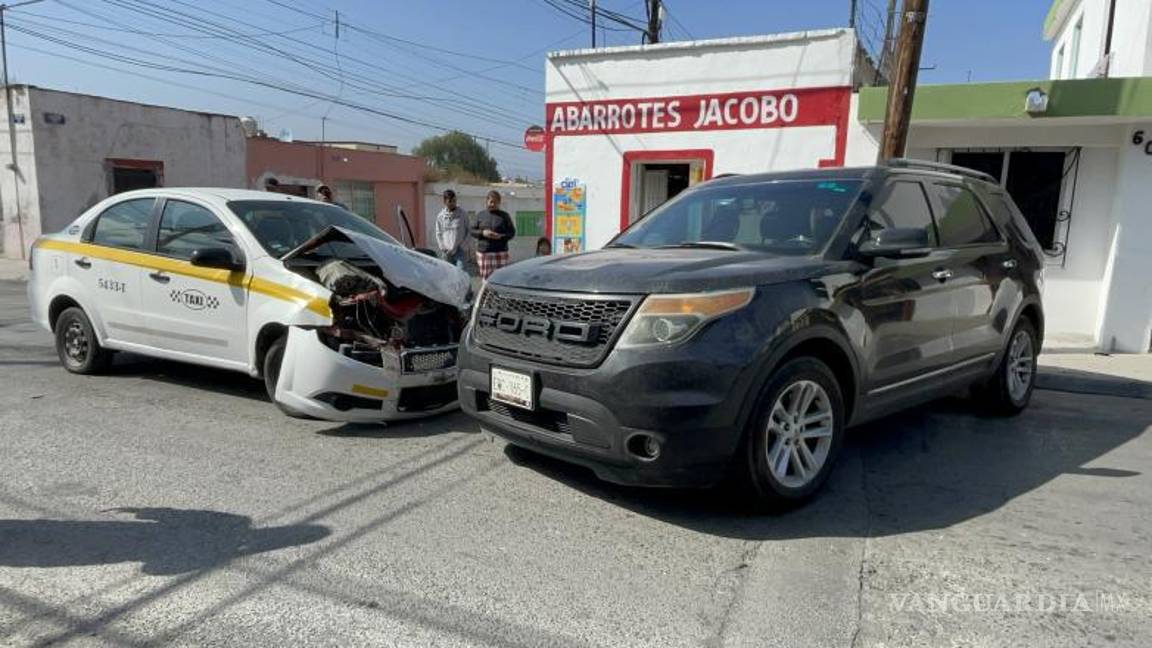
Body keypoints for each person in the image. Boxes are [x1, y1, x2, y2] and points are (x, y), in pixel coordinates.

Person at [471, 190, 515, 280]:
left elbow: (512, 232)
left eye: (495, 202)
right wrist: (483, 233)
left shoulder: (505, 216)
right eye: (491, 202)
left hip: (500, 252)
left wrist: (501, 236)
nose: (492, 204)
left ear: (499, 202)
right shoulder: (480, 215)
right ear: (487, 201)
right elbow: (472, 231)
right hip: (484, 253)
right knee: (486, 280)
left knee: (501, 279)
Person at [434, 189, 468, 269]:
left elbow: (469, 231)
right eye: (450, 201)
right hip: (446, 252)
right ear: (445, 202)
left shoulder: (463, 214)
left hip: (460, 251)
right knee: (448, 273)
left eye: (454, 201)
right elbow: (438, 233)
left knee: (461, 272)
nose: (453, 203)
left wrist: (463, 246)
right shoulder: (440, 216)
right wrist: (443, 247)